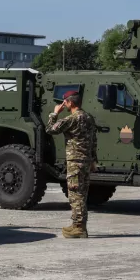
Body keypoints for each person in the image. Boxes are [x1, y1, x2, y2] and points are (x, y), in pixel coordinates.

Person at [46, 90, 98, 239]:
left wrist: (55, 113)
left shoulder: (71, 119)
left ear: (69, 103)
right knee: (82, 194)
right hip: (86, 161)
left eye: (65, 102)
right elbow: (93, 140)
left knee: (75, 194)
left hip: (75, 161)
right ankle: (77, 225)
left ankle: (79, 228)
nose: (64, 105)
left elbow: (50, 129)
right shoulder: (88, 117)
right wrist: (93, 160)